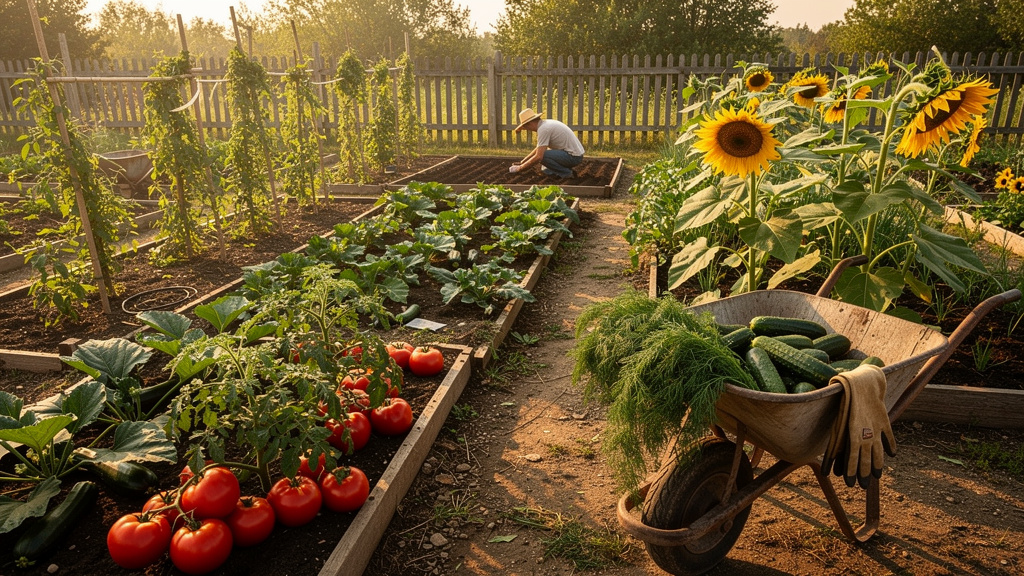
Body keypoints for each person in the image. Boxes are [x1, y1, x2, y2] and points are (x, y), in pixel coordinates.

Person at [508, 108, 585, 179]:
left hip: (573, 157)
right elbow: (538, 149)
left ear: (530, 124)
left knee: (543, 156)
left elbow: (539, 156)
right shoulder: (546, 124)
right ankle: (562, 171)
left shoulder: (544, 129)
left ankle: (567, 173)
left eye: (526, 127)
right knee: (546, 170)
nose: (529, 130)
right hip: (574, 154)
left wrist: (520, 168)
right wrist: (522, 162)